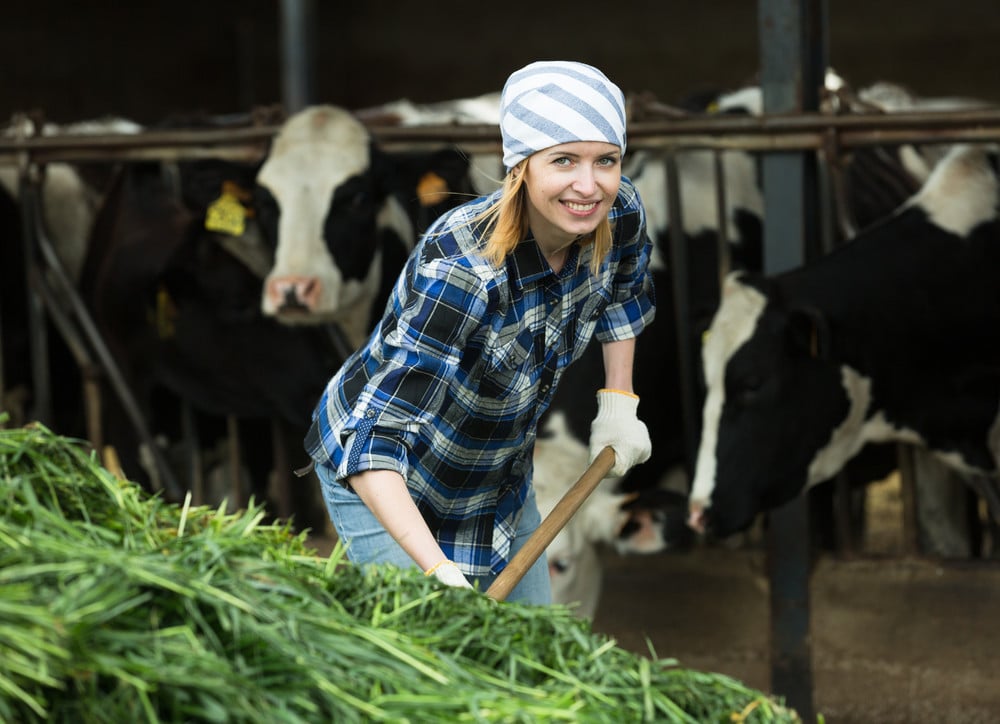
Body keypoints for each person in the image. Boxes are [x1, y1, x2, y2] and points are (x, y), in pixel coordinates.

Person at [304, 60, 655, 604]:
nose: (589, 186)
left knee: (533, 661)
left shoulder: (620, 211)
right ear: (521, 167)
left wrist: (619, 403)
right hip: (391, 480)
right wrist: (435, 569)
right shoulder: (464, 270)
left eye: (605, 160)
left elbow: (625, 295)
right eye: (563, 160)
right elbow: (375, 442)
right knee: (434, 670)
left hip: (499, 479)